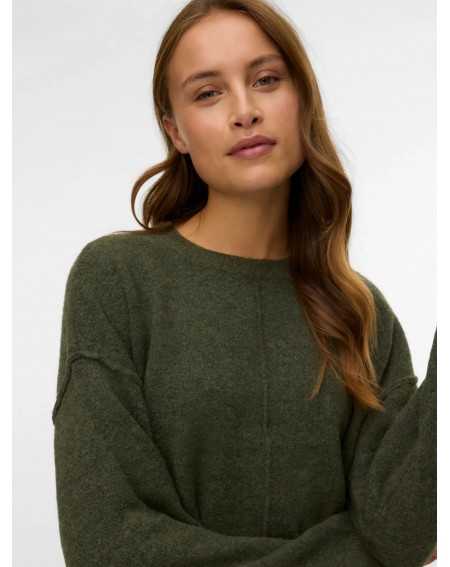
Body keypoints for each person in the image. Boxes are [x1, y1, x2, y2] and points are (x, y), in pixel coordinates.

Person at [52, 0, 437, 565]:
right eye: (209, 93)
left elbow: (404, 533)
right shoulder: (116, 280)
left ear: (302, 98)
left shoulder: (361, 312)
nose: (245, 111)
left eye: (266, 80)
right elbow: (105, 541)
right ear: (175, 131)